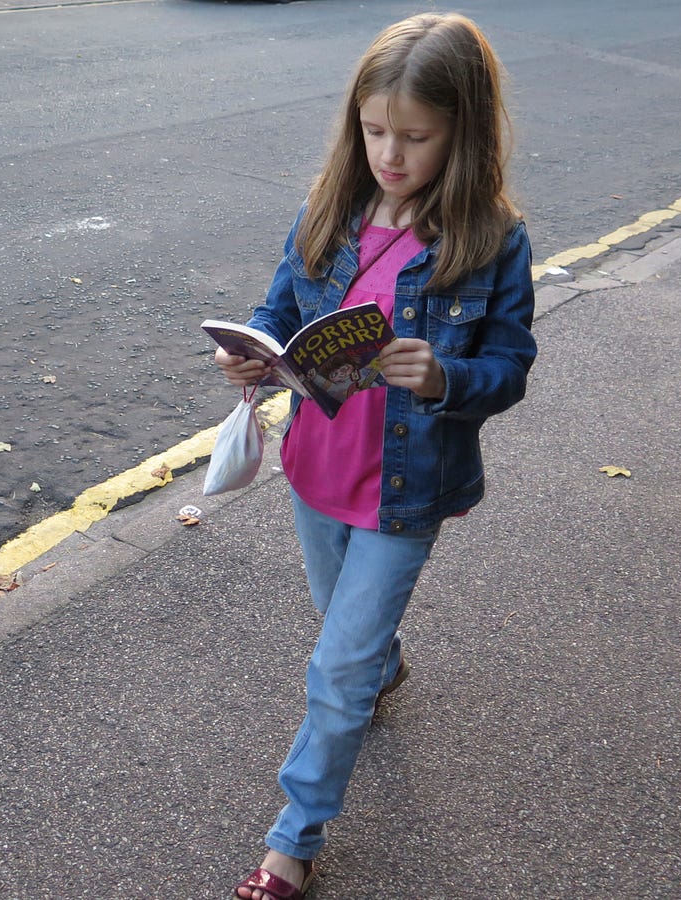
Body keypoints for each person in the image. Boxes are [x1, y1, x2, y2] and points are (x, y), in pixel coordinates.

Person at [214, 13, 537, 900]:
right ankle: (383, 662)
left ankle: (294, 840)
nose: (390, 153)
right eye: (374, 129)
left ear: (462, 131)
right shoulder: (333, 205)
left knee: (337, 665)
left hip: (407, 487)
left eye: (416, 136)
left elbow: (509, 368)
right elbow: (282, 307)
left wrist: (443, 377)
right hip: (315, 468)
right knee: (349, 634)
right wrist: (251, 348)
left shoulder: (492, 241)